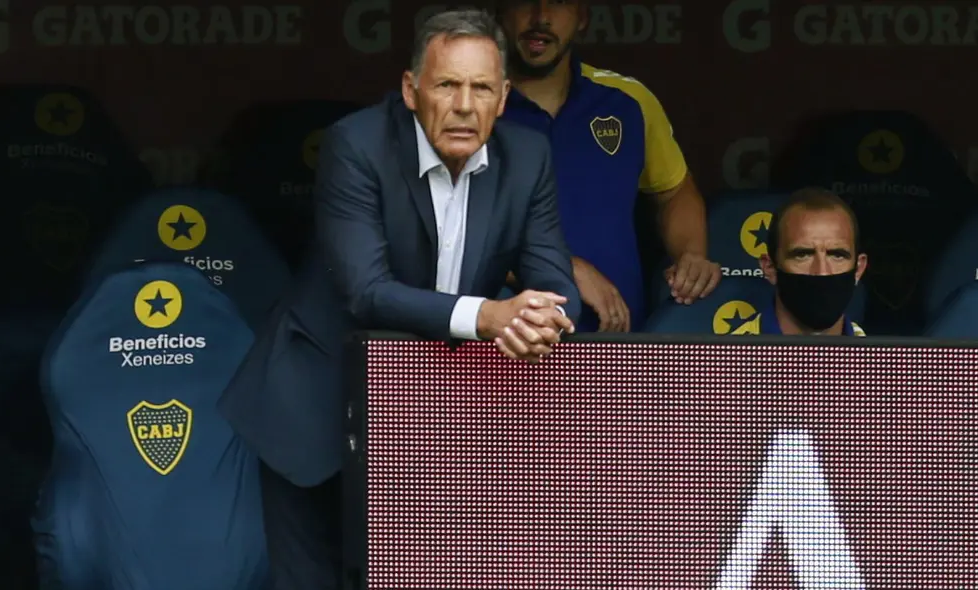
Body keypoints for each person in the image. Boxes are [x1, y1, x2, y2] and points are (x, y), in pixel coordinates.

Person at [217, 9, 580, 590]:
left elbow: (556, 287)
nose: (465, 105)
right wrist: (489, 316)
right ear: (412, 90)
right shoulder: (355, 144)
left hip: (434, 419)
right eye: (447, 84)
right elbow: (366, 291)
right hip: (319, 406)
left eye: (482, 87)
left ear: (504, 97)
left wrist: (541, 318)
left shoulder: (528, 157)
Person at [496, 0, 721, 333]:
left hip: (616, 339)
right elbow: (442, 235)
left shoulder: (627, 101)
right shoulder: (472, 104)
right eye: (526, 2)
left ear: (583, 17)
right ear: (500, 12)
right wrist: (564, 269)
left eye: (558, 3)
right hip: (503, 346)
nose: (540, 17)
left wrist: (691, 255)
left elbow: (674, 191)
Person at [732, 188, 867, 336]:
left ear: (858, 269)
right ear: (770, 268)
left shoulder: (875, 358)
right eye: (803, 255)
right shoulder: (731, 357)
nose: (822, 272)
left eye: (837, 255)